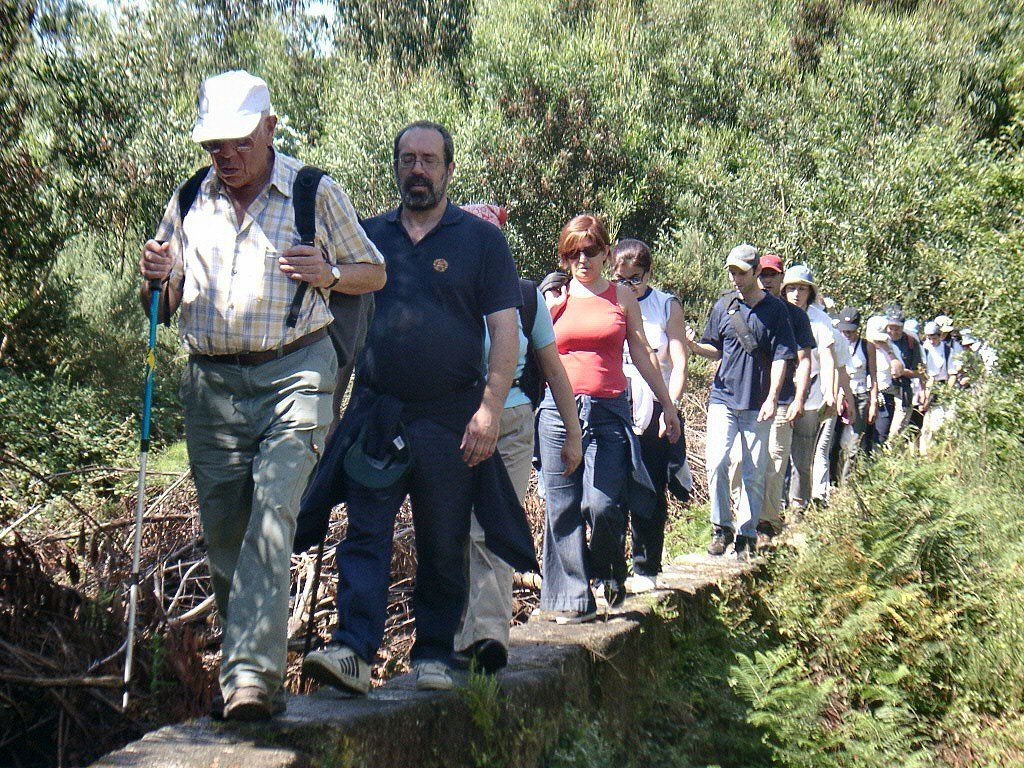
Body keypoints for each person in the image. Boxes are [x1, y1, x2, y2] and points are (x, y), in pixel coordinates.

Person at [138, 71, 386, 720]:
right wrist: (155, 278)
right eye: (214, 144)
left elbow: (374, 271)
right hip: (212, 386)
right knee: (226, 533)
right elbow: (162, 303)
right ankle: (256, 681)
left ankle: (248, 676)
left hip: (296, 372)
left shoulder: (314, 191)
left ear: (269, 128)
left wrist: (330, 272)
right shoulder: (188, 199)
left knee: (273, 511)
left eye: (239, 142)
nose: (225, 155)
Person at [299, 121, 534, 695]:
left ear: (449, 169)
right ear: (396, 167)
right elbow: (342, 327)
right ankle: (353, 650)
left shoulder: (481, 242)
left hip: (451, 415)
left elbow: (506, 331)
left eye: (429, 160)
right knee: (365, 530)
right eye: (408, 160)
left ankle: (432, 652)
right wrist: (330, 408)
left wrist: (489, 408)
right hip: (377, 413)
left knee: (442, 537)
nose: (418, 170)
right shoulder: (368, 236)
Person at [453, 204, 583, 674]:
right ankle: (458, 633)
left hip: (510, 424)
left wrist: (573, 434)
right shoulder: (447, 290)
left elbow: (554, 370)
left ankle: (487, 637)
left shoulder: (525, 297)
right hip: (451, 423)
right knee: (452, 529)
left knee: (489, 526)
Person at [536, 215, 681, 623]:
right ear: (564, 258)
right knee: (562, 508)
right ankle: (573, 599)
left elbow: (643, 354)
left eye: (589, 251)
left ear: (605, 252)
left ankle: (609, 568)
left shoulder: (622, 297)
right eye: (572, 253)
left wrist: (668, 406)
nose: (582, 260)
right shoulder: (554, 299)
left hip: (607, 412)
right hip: (558, 412)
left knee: (601, 505)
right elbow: (534, 353)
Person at [686, 244, 796, 560]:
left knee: (754, 472)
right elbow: (715, 350)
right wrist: (694, 346)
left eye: (741, 272)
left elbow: (782, 357)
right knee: (717, 462)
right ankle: (722, 528)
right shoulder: (724, 306)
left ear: (756, 271)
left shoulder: (775, 311)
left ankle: (747, 534)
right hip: (723, 398)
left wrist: (773, 397)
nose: (735, 278)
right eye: (732, 272)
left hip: (758, 402)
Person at [610, 239, 688, 593]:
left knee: (650, 486)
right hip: (616, 401)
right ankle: (612, 569)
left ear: (648, 273)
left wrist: (671, 405)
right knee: (613, 489)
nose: (629, 286)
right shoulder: (607, 300)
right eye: (621, 279)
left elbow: (679, 362)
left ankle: (646, 566)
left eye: (636, 279)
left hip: (656, 401)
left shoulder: (665, 305)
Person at [742, 253, 814, 545]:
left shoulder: (795, 316)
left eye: (773, 275)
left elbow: (805, 359)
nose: (768, 280)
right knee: (740, 462)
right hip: (747, 400)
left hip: (782, 401)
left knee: (774, 461)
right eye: (764, 274)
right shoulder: (742, 308)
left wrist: (799, 398)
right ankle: (742, 519)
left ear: (782, 278)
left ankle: (767, 522)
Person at [779, 265, 835, 510]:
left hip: (810, 394)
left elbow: (828, 357)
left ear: (810, 292)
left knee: (802, 457)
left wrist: (830, 391)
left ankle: (799, 506)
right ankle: (776, 507)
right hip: (781, 393)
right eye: (791, 288)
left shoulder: (820, 321)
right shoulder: (777, 314)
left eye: (802, 289)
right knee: (777, 454)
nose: (796, 294)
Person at [833, 307, 877, 478]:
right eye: (844, 330)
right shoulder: (835, 343)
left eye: (851, 331)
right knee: (833, 441)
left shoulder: (867, 346)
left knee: (854, 443)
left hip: (860, 396)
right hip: (838, 396)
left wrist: (873, 403)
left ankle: (847, 481)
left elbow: (873, 376)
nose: (847, 334)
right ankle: (832, 480)